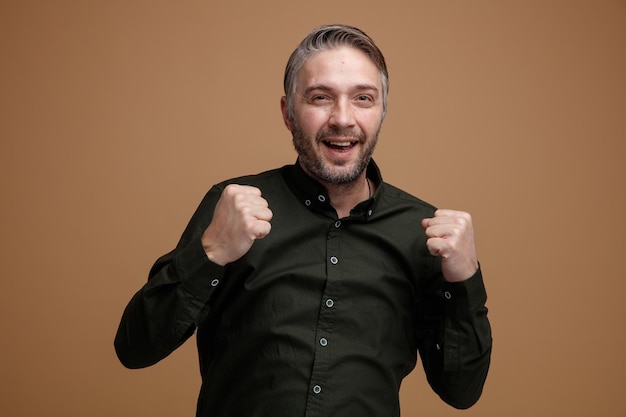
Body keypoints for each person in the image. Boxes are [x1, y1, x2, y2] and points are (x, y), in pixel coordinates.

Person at [114, 24, 492, 416]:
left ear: (382, 111)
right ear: (288, 113)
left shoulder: (422, 233)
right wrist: (210, 252)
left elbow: (461, 391)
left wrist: (465, 280)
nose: (342, 119)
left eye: (363, 98)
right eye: (320, 98)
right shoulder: (232, 207)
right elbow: (135, 348)